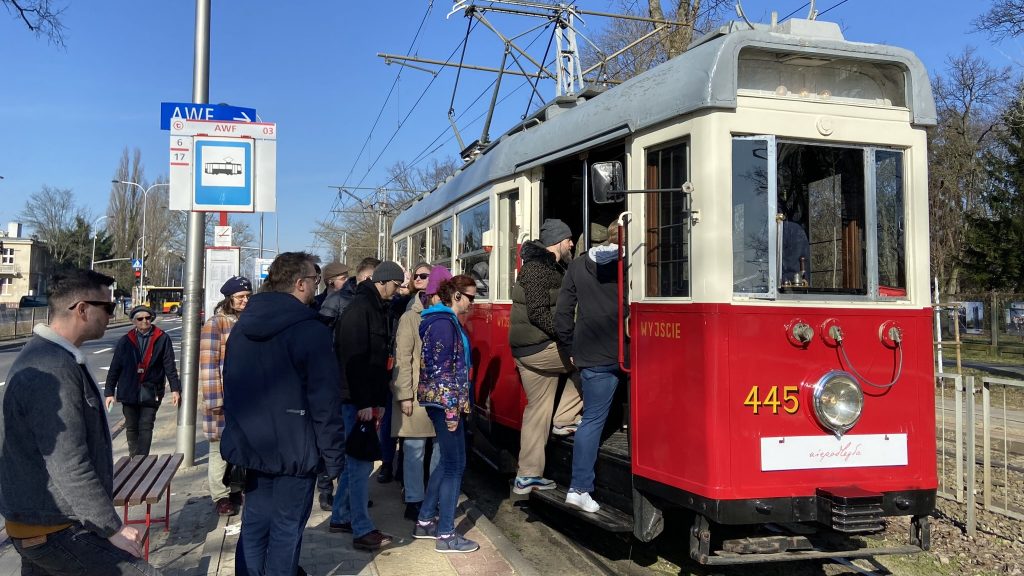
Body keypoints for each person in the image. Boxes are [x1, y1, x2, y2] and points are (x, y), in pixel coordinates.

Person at [0, 269, 159, 574]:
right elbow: (68, 463)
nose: (113, 315)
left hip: (43, 523)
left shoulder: (53, 358)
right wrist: (112, 527)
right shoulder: (52, 367)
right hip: (56, 528)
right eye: (108, 308)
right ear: (83, 309)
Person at [220, 252, 346, 576]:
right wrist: (333, 457)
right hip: (296, 451)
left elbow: (230, 386)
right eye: (315, 281)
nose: (317, 287)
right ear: (301, 284)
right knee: (286, 530)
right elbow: (325, 402)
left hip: (251, 447)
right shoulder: (310, 330)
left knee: (255, 525)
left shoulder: (241, 328)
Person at [329, 260, 404, 551]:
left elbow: (375, 360)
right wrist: (365, 402)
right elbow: (354, 359)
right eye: (395, 286)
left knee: (354, 461)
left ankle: (340, 516)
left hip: (363, 398)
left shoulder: (372, 307)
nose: (397, 292)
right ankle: (362, 528)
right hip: (356, 401)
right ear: (382, 281)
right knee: (361, 466)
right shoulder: (361, 310)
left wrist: (378, 399)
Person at [510, 218, 583, 495]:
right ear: (559, 242)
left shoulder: (541, 265)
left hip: (527, 350)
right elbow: (539, 313)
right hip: (538, 349)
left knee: (537, 410)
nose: (572, 244)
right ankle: (564, 419)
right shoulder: (540, 269)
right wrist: (570, 341)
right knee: (593, 359)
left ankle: (527, 476)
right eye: (569, 240)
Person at [554, 221, 624, 514]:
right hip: (625, 350)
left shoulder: (577, 266)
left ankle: (579, 488)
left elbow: (563, 312)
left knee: (591, 420)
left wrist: (570, 346)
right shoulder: (629, 262)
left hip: (589, 352)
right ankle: (581, 488)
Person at [414, 274, 480, 554]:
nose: (472, 304)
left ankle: (426, 520)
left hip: (443, 403)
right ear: (455, 295)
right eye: (470, 297)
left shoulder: (443, 321)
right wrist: (453, 410)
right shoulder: (443, 324)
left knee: (446, 463)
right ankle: (446, 535)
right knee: (455, 465)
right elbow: (441, 370)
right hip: (446, 404)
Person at [391, 264, 447, 520]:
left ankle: (431, 498)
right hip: (416, 392)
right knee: (414, 448)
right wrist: (404, 394)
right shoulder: (410, 317)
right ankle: (414, 499)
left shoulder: (445, 316)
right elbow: (402, 357)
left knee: (437, 448)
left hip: (440, 394)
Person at [199, 275, 252, 517]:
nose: (244, 301)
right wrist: (215, 399)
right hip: (223, 397)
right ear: (229, 299)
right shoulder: (216, 324)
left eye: (248, 296)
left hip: (245, 397)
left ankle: (236, 489)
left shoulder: (250, 321)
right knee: (218, 449)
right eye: (240, 297)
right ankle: (220, 495)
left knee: (241, 446)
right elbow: (209, 363)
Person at [104, 304, 182, 457]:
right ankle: (134, 457)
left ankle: (142, 460)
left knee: (146, 425)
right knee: (131, 427)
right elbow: (115, 367)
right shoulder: (125, 341)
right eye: (140, 319)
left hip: (152, 390)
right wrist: (109, 392)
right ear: (134, 321)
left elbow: (169, 365)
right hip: (129, 390)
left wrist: (175, 389)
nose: (144, 321)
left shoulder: (162, 338)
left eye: (147, 318)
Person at [319, 256, 380, 326]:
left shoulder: (364, 295)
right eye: (343, 278)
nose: (347, 280)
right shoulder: (323, 301)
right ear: (330, 282)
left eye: (347, 277)